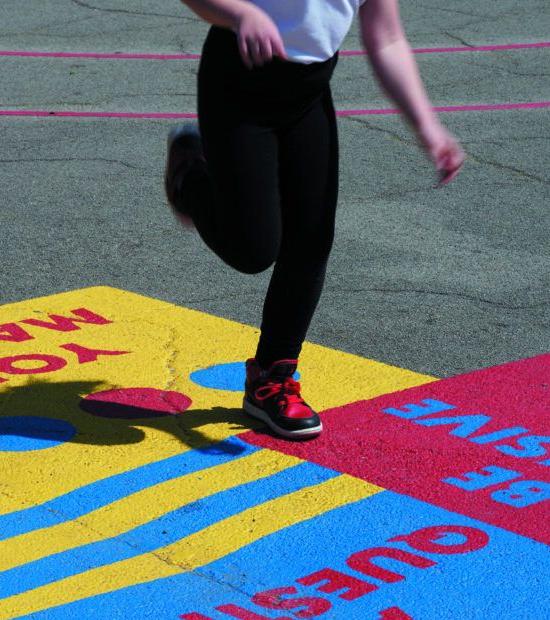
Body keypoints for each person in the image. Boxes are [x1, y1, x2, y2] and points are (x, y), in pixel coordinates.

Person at [165, 0, 464, 440]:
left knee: (310, 241)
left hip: (306, 97)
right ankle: (190, 176)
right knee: (252, 250)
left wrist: (428, 125)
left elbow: (387, 36)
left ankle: (271, 379)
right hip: (238, 86)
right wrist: (240, 13)